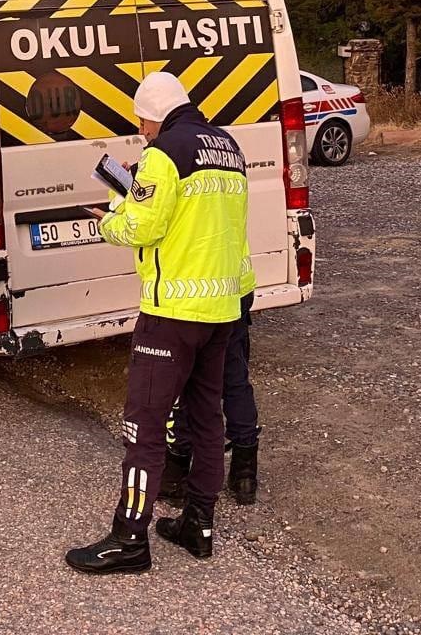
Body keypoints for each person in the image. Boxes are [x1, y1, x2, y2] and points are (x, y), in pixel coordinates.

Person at [64, 72, 250, 574]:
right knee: (207, 418)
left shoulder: (163, 153)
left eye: (142, 122)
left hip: (171, 312)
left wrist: (111, 209)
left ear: (152, 114)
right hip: (222, 308)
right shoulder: (227, 147)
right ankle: (198, 524)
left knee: (143, 425)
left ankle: (129, 538)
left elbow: (141, 226)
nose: (143, 131)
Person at [159, 270, 260, 506]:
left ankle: (176, 475)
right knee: (236, 381)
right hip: (236, 288)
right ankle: (245, 477)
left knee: (185, 383)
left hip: (191, 293)